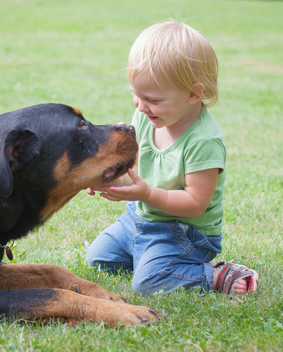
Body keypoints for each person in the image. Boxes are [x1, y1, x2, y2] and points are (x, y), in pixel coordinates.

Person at [86, 19, 258, 296]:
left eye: (151, 99)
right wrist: (109, 178)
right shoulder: (146, 118)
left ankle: (215, 274)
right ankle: (158, 262)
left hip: (184, 231)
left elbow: (195, 204)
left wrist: (146, 194)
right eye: (135, 95)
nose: (141, 106)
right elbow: (138, 169)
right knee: (100, 258)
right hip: (141, 217)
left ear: (193, 93)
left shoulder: (204, 141)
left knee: (146, 284)